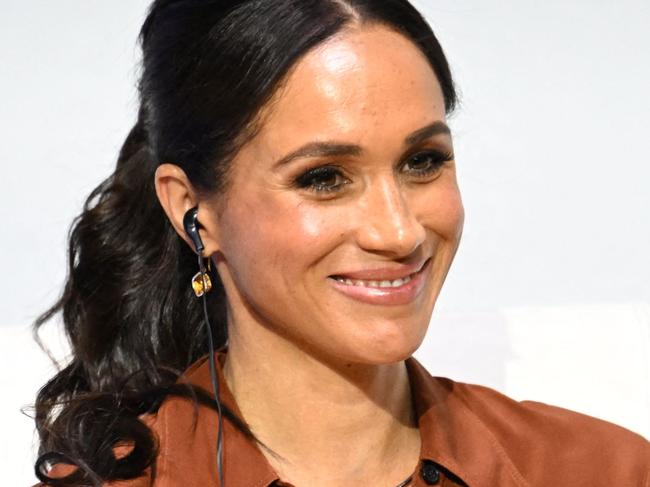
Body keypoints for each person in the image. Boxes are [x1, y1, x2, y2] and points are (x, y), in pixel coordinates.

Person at [32, 1, 649, 486]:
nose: (399, 231)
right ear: (193, 210)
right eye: (324, 177)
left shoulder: (604, 471)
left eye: (423, 161)